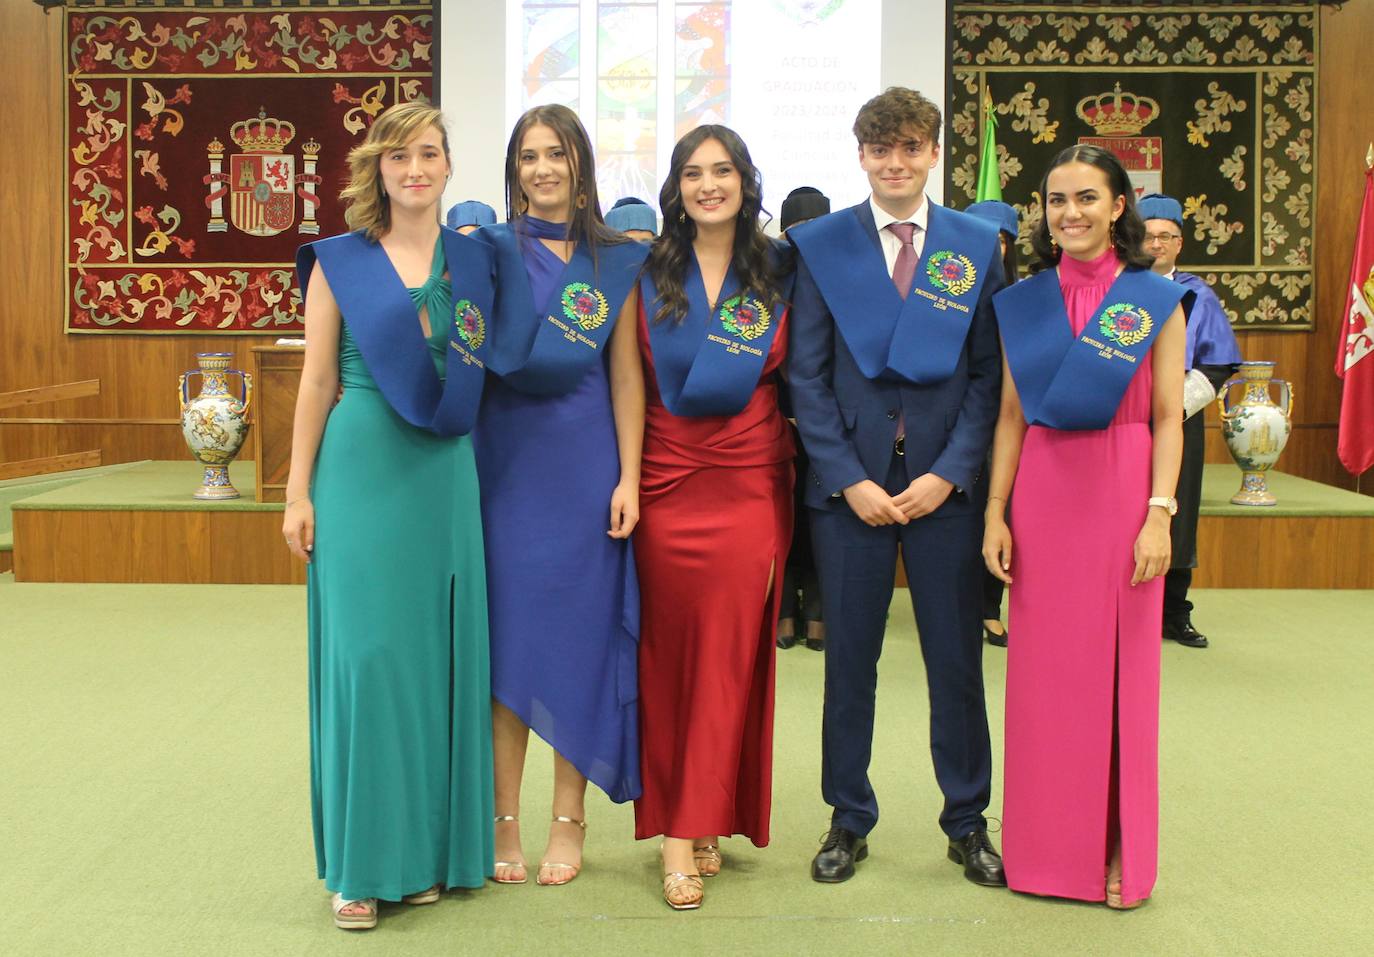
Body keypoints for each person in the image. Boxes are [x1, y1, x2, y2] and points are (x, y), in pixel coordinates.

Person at [282, 101, 495, 930]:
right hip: (362, 467)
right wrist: (298, 490)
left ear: (449, 168)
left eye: (430, 154)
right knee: (369, 661)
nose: (416, 169)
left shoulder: (476, 264)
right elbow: (315, 383)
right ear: (379, 168)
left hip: (444, 475)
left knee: (433, 664)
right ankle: (362, 866)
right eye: (400, 156)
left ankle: (429, 854)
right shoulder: (341, 263)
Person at [788, 87, 1006, 888]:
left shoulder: (975, 245)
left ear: (933, 152)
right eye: (881, 149)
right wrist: (847, 480)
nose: (896, 162)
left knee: (956, 661)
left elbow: (989, 375)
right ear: (861, 155)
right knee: (850, 662)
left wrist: (951, 473)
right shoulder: (821, 246)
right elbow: (806, 379)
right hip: (853, 495)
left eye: (911, 147)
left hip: (943, 492)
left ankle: (967, 819)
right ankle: (848, 816)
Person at [984, 145, 1187, 909]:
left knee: (1118, 680)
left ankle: (1115, 849)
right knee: (1045, 684)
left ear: (1119, 206)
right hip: (1044, 492)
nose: (1069, 212)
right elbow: (1010, 415)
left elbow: (1170, 417)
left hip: (1125, 490)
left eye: (1086, 198)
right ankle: (1043, 851)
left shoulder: (1151, 298)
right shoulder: (1026, 300)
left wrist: (1158, 514)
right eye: (1056, 199)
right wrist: (997, 512)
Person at [470, 104, 648, 888]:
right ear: (516, 168)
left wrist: (630, 476)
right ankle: (502, 818)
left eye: (557, 154)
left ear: (581, 164)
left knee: (578, 642)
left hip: (584, 466)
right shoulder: (487, 252)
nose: (543, 169)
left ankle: (567, 820)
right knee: (506, 647)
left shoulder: (617, 262)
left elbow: (625, 375)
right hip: (504, 464)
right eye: (529, 156)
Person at [634, 125, 795, 910]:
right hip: (669, 480)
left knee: (730, 654)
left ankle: (706, 815)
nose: (708, 185)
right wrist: (629, 477)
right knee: (671, 656)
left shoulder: (778, 271)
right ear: (676, 188)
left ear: (744, 181)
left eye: (721, 171)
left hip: (750, 482)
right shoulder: (645, 270)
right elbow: (628, 383)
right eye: (693, 173)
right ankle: (676, 829)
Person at [1138, 193, 1243, 649]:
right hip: (1118, 418)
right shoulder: (1120, 289)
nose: (1156, 244)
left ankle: (1174, 613)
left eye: (1165, 236)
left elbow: (1217, 364)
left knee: (1175, 511)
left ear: (1179, 243)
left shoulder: (1198, 295)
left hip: (1179, 417)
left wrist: (1169, 407)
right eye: (1147, 235)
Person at [776, 186, 831, 653]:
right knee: (784, 515)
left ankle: (815, 606)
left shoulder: (845, 274)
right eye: (797, 231)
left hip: (828, 423)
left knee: (819, 515)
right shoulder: (765, 274)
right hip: (773, 421)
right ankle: (785, 609)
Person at [965, 199, 1022, 649]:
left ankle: (990, 607)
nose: (991, 247)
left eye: (1000, 240)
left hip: (1013, 420)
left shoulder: (1027, 297)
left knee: (1002, 513)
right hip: (963, 420)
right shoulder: (947, 289)